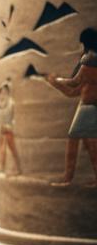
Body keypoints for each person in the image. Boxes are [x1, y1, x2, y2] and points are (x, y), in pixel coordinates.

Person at [46, 27, 97, 186]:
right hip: (88, 105)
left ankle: (67, 177)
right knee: (90, 144)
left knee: (76, 139)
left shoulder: (90, 60)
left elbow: (74, 82)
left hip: (88, 107)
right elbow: (75, 91)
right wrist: (57, 84)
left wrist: (57, 81)